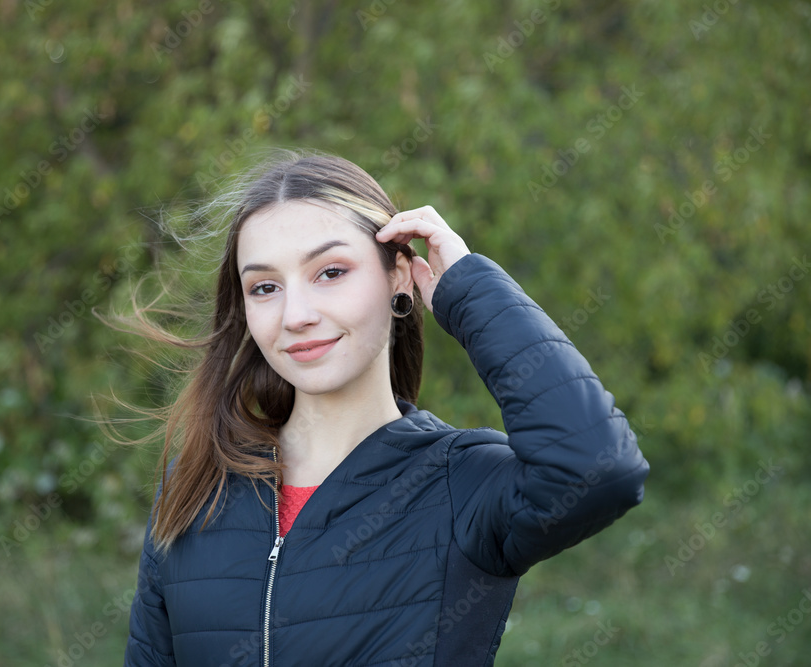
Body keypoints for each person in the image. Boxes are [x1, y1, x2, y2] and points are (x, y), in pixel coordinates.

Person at [119, 149, 649, 666]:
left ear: (399, 275)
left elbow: (599, 467)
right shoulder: (197, 484)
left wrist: (469, 291)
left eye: (330, 272)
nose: (295, 314)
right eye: (264, 287)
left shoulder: (460, 482)